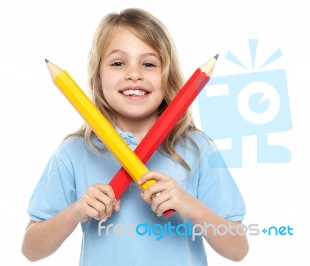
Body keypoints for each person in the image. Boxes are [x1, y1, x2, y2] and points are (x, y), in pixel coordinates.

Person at [22, 8, 248, 265]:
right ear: (98, 75)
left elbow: (238, 249)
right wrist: (76, 212)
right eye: (118, 63)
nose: (134, 74)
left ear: (167, 75)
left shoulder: (197, 148)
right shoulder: (74, 152)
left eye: (149, 64)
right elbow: (31, 249)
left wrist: (191, 206)